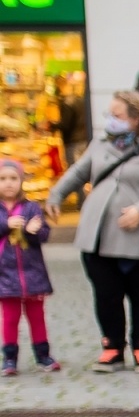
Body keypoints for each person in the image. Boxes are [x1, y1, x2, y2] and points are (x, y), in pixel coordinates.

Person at [47, 90, 139, 373]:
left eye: (116, 116)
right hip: (98, 236)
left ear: (136, 119)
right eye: (108, 115)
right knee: (106, 294)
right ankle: (112, 347)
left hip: (138, 240)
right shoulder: (100, 145)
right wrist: (55, 196)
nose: (110, 121)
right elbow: (77, 173)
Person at [0, 160, 56, 375]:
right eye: (3, 179)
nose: (8, 184)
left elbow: (44, 234)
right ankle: (10, 357)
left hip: (33, 274)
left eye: (13, 178)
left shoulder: (31, 207)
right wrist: (7, 224)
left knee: (37, 316)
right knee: (10, 318)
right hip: (6, 275)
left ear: (21, 182)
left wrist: (35, 230)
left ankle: (43, 354)